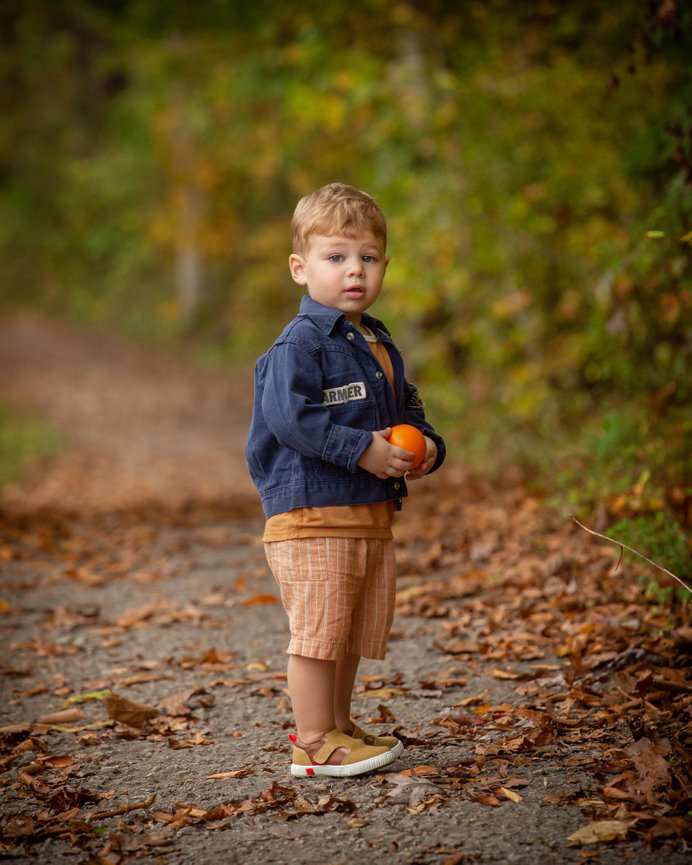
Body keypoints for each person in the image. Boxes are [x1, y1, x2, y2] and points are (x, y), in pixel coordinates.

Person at [246, 182, 445, 778]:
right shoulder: (299, 345)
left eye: (368, 257)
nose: (354, 271)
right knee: (317, 631)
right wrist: (361, 450)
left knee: (351, 630)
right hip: (312, 516)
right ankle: (311, 743)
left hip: (367, 515)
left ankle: (337, 725)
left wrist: (427, 444)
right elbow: (290, 419)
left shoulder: (377, 341)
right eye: (335, 257)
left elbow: (405, 411)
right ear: (299, 268)